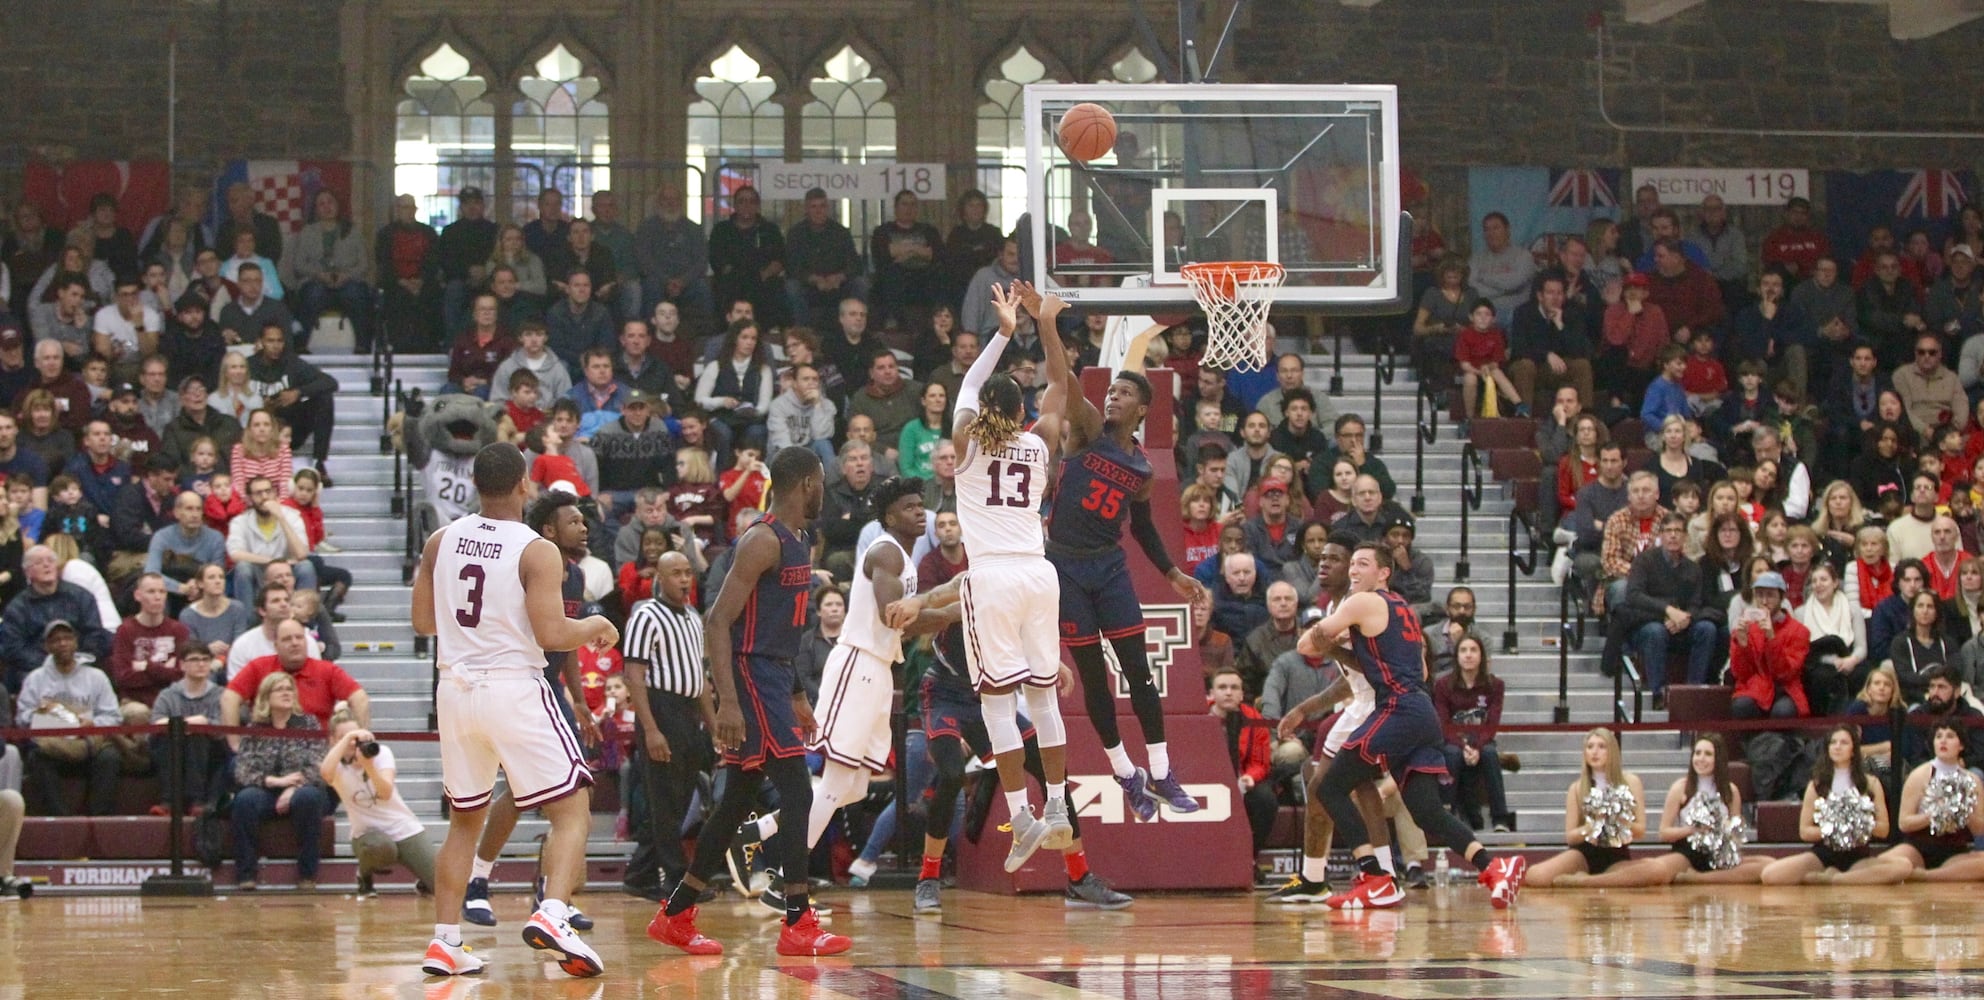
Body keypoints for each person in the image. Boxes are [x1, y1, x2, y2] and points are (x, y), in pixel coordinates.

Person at [892, 281, 1078, 875]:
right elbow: (1059, 387)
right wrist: (1044, 323)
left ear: (983, 414)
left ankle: (1021, 812)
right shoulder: (1041, 441)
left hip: (993, 576)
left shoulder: (966, 445)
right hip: (1039, 573)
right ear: (1020, 413)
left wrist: (1002, 330)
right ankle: (1057, 810)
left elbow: (969, 386)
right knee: (1043, 699)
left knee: (998, 704)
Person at [412, 442, 616, 978]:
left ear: (477, 484)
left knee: (463, 822)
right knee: (573, 810)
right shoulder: (535, 549)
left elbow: (423, 622)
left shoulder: (440, 540)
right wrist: (595, 625)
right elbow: (552, 634)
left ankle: (445, 941)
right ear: (524, 484)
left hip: (454, 691)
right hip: (513, 687)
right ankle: (553, 912)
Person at [647, 445, 849, 958]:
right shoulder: (762, 540)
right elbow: (718, 621)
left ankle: (675, 914)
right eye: (821, 479)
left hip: (777, 676)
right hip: (751, 673)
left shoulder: (802, 539)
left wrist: (799, 693)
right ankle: (798, 922)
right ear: (806, 482)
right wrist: (729, 703)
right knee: (798, 791)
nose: (823, 487)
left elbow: (786, 625)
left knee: (737, 796)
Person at [1025, 283, 1210, 818]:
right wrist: (1048, 324)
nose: (1112, 398)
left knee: (1139, 673)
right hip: (1064, 566)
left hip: (1109, 568)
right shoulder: (1085, 433)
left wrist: (1174, 574)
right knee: (1093, 680)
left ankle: (1161, 772)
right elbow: (1062, 379)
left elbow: (1145, 529)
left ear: (1144, 407)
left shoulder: (1144, 470)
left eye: (1124, 395)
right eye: (1111, 393)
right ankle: (1125, 773)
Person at [1280, 544, 1525, 910]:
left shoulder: (1362, 602)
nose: (1353, 570)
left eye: (1363, 563)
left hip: (1397, 708)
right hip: (1422, 712)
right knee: (1427, 812)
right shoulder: (1404, 611)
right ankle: (1494, 867)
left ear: (1383, 573)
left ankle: (1376, 877)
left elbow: (1308, 643)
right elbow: (1421, 671)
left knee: (1329, 786)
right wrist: (1346, 649)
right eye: (1354, 564)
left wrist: (1331, 639)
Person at [727, 478, 928, 905]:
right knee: (836, 783)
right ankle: (784, 882)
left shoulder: (906, 559)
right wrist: (952, 603)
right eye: (910, 506)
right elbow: (895, 615)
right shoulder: (886, 550)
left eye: (920, 505)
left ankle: (756, 832)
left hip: (879, 670)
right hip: (858, 666)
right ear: (890, 517)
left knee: (854, 788)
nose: (919, 511)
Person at [617, 551, 715, 902]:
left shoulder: (692, 617)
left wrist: (713, 725)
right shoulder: (645, 615)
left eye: (688, 572)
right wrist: (651, 728)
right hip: (660, 709)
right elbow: (634, 675)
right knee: (664, 800)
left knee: (677, 801)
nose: (685, 579)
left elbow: (701, 678)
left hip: (689, 713)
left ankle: (639, 874)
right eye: (676, 573)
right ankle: (676, 880)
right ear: (660, 576)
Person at [1557, 734, 1769, 887]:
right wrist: (1692, 830)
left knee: (1766, 866)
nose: (1701, 759)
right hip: (1687, 853)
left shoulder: (1731, 791)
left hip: (1718, 853)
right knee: (1655, 870)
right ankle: (1590, 882)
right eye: (1697, 753)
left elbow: (1735, 832)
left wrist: (1722, 833)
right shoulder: (1681, 787)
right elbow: (1664, 833)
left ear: (1718, 759)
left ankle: (1699, 879)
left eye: (1707, 754)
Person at [1829, 721, 1984, 884]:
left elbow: (1979, 829)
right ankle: (1838, 877)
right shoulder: (1920, 775)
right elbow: (1904, 823)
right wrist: (1933, 814)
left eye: (1950, 736)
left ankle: (1926, 876)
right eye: (1939, 737)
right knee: (1895, 865)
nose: (1943, 741)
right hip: (1918, 847)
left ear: (1961, 745)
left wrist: (1964, 810)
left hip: (1954, 850)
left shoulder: (1971, 780)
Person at [228, 671, 329, 891]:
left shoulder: (308, 724)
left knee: (309, 798)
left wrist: (292, 788)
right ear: (266, 696)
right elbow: (242, 769)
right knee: (244, 800)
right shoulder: (255, 729)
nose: (287, 693)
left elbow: (318, 765)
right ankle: (246, 873)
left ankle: (307, 874)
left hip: (302, 787)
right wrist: (273, 781)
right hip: (266, 788)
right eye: (280, 689)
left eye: (289, 689)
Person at [15, 619, 127, 816]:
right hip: (53, 746)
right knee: (36, 758)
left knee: (110, 757)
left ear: (76, 642)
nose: (63, 643)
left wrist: (92, 724)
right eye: (56, 640)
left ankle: (97, 818)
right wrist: (50, 719)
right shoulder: (35, 678)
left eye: (67, 638)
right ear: (47, 646)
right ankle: (60, 818)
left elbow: (113, 716)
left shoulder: (96, 676)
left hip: (89, 744)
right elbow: (22, 718)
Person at [321, 707, 435, 897]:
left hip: (402, 827)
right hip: (367, 835)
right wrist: (347, 738)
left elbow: (385, 792)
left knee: (443, 885)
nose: (353, 744)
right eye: (346, 738)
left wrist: (369, 767)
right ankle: (364, 874)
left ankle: (425, 881)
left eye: (356, 738)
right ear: (334, 740)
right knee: (382, 848)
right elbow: (325, 773)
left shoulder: (381, 753)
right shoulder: (337, 766)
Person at [1759, 724, 1892, 885]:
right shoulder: (1817, 785)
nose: (1837, 747)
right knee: (1770, 875)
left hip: (1858, 855)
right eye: (1833, 742)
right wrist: (1835, 829)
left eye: (1844, 743)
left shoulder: (1870, 783)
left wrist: (1857, 826)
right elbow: (1805, 831)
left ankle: (1834, 878)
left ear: (1854, 750)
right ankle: (1848, 879)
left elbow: (1884, 829)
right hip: (1824, 854)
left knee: (1902, 867)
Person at [1521, 728, 1649, 888]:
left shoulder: (1631, 781)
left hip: (1617, 855)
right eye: (1590, 747)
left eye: (1601, 746)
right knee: (1536, 876)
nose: (1595, 752)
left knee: (1653, 870)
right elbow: (1570, 837)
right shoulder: (1576, 788)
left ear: (1613, 751)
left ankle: (1584, 881)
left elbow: (1641, 830)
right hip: (1583, 854)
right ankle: (1598, 880)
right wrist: (1593, 826)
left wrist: (1619, 822)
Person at [1432, 635, 1512, 832]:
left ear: (1481, 656)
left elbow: (1491, 724)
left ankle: (1500, 818)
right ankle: (1446, 814)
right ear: (1457, 656)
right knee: (1451, 753)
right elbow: (1443, 724)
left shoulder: (1495, 685)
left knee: (1490, 754)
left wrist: (1476, 747)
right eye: (1463, 650)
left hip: (1482, 740)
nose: (1468, 655)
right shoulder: (1442, 685)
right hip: (1453, 739)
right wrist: (1464, 746)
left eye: (1473, 650)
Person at [148, 641, 227, 814]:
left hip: (209, 751)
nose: (201, 664)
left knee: (198, 736)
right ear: (182, 665)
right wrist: (192, 722)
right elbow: (155, 725)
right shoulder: (168, 695)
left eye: (206, 659)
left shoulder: (220, 694)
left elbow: (222, 729)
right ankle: (168, 802)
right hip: (173, 748)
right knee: (169, 738)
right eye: (194, 660)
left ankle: (197, 801)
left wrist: (199, 725)